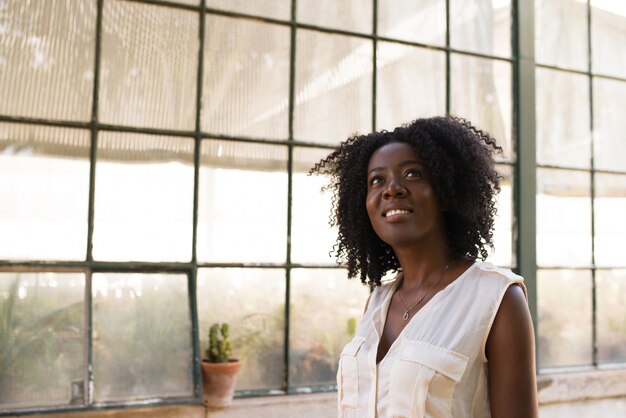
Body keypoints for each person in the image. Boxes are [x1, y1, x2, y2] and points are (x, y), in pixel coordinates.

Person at [311, 116, 538, 418]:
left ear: (446, 191)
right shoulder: (376, 303)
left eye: (412, 173)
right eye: (376, 180)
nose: (392, 188)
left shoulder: (497, 299)